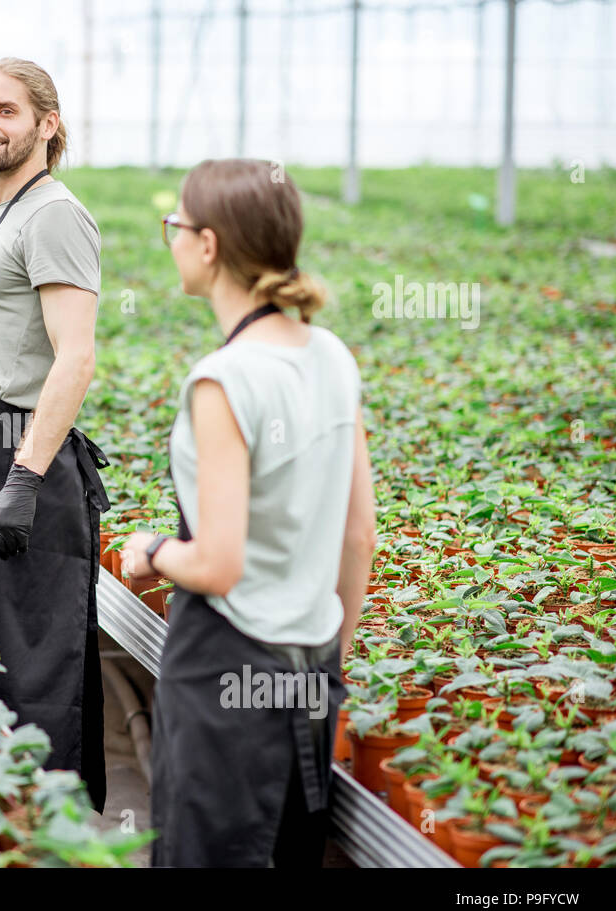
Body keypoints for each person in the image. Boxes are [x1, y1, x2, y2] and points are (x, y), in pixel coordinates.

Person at [121, 159, 378, 866]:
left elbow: (218, 562)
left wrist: (151, 549)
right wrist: (330, 665)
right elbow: (360, 535)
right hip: (309, 678)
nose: (170, 239)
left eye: (174, 225)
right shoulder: (332, 357)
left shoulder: (223, 380)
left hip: (225, 678)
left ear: (207, 245)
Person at [0, 57, 111, 813]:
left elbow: (75, 354)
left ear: (47, 123)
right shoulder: (5, 213)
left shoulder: (53, 214)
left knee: (31, 662)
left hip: (22, 459)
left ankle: (47, 827)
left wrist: (23, 477)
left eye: (5, 111)